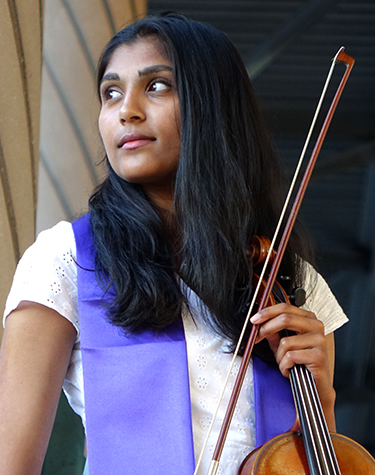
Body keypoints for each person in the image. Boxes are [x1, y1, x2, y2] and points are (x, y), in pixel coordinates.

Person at [0, 13, 347, 475]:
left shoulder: (290, 277)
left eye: (157, 85)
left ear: (213, 106)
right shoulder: (66, 259)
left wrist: (319, 400)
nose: (127, 110)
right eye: (111, 92)